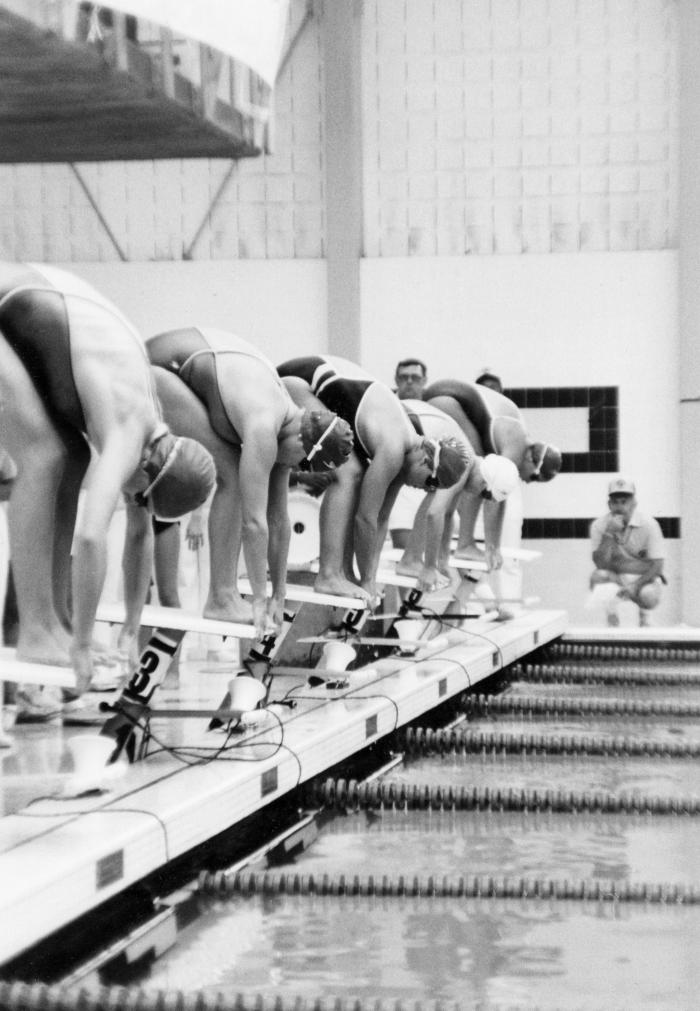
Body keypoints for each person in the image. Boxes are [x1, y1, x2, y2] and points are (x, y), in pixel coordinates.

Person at [0, 262, 216, 696]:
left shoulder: (148, 420)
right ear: (150, 475)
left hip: (26, 301)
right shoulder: (130, 426)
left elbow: (135, 538)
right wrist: (82, 644)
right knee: (41, 456)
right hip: (14, 301)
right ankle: (37, 631)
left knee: (70, 454)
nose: (130, 499)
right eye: (140, 498)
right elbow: (92, 537)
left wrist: (78, 631)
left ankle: (52, 622)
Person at [146, 328, 354, 638]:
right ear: (305, 442)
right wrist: (258, 600)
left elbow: (278, 520)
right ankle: (222, 597)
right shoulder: (264, 424)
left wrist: (278, 594)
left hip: (182, 364)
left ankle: (223, 594)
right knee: (230, 471)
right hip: (153, 370)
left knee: (231, 466)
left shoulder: (289, 424)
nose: (298, 468)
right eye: (305, 463)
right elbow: (254, 523)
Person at [277, 355, 469, 604]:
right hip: (298, 382)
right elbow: (364, 518)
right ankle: (329, 575)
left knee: (353, 479)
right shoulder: (394, 447)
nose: (424, 489)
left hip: (316, 382)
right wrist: (367, 581)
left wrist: (369, 576)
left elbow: (380, 519)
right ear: (425, 460)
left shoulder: (405, 454)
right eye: (430, 484)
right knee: (348, 474)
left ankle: (341, 572)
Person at [423, 377, 562, 614]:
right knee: (476, 469)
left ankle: (464, 544)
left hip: (446, 398)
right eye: (535, 477)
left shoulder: (515, 441)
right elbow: (492, 493)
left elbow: (498, 495)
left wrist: (493, 545)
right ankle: (465, 543)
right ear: (532, 459)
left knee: (479, 473)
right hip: (444, 401)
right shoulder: (517, 448)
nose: (529, 481)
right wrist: (491, 547)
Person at [394, 399, 519, 593]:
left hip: (405, 416)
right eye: (485, 494)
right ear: (484, 482)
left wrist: (441, 561)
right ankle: (410, 560)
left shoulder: (463, 460)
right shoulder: (463, 462)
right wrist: (428, 568)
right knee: (432, 499)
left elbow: (447, 514)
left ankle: (412, 559)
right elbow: (434, 513)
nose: (479, 497)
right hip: (399, 417)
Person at [589, 477, 665, 627]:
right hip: (616, 576)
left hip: (644, 579)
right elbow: (600, 564)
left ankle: (645, 618)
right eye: (615, 502)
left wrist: (635, 585)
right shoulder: (600, 525)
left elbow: (658, 566)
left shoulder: (649, 524)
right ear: (609, 505)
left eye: (624, 502)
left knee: (648, 595)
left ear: (634, 504)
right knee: (597, 578)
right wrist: (609, 534)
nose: (620, 507)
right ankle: (612, 619)